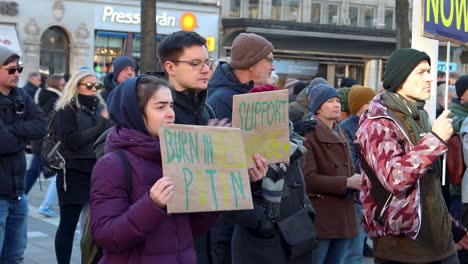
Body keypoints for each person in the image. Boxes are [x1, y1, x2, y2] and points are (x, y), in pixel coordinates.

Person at [90, 75, 267, 263]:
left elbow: (192, 229)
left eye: (171, 105)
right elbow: (105, 236)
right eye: (160, 107)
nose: (170, 114)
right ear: (134, 112)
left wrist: (223, 185)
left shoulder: (178, 154)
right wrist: (152, 204)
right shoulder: (112, 164)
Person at [355, 48, 458, 263]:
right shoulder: (377, 123)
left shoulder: (420, 116)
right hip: (402, 249)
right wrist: (436, 140)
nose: (430, 78)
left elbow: (428, 187)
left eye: (429, 71)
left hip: (440, 244)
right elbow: (394, 178)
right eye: (421, 72)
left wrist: (454, 228)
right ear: (401, 78)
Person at [228, 84, 315, 264]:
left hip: (295, 239)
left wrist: (308, 213)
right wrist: (264, 224)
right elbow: (230, 201)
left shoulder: (293, 145)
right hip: (259, 246)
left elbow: (299, 190)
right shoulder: (236, 148)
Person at [53, 69, 111, 264]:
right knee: (68, 225)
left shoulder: (99, 107)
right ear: (76, 86)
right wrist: (100, 123)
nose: (95, 89)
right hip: (72, 174)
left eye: (97, 85)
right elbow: (72, 141)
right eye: (89, 85)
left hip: (96, 173)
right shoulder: (66, 109)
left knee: (95, 225)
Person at [302, 83, 360, 264]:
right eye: (330, 101)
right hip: (322, 217)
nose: (336, 105)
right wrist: (347, 183)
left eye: (338, 101)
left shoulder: (340, 131)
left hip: (343, 215)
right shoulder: (308, 135)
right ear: (318, 108)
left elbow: (349, 167)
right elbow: (308, 179)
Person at [0, 45, 47, 263]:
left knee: (15, 255)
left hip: (18, 194)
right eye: (11, 70)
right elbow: (4, 142)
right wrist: (21, 135)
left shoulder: (21, 96)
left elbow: (41, 125)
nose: (17, 73)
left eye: (19, 69)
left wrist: (14, 130)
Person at [339, 85, 376, 264]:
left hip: (371, 196)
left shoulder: (374, 123)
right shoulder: (346, 128)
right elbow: (350, 163)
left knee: (359, 245)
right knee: (353, 250)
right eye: (368, 101)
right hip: (356, 196)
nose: (372, 104)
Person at [24, 74, 66, 218]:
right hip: (47, 141)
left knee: (37, 170)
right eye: (61, 84)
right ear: (55, 85)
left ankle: (38, 201)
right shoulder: (54, 100)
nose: (64, 86)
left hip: (41, 140)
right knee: (38, 170)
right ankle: (24, 197)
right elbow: (52, 122)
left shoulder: (43, 96)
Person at [207, 33, 275, 120]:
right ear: (252, 62)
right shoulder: (222, 101)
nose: (273, 68)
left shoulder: (249, 95)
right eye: (269, 61)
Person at [158, 30, 216, 125]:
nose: (206, 70)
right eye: (195, 64)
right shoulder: (159, 113)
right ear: (171, 68)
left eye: (207, 62)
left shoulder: (207, 111)